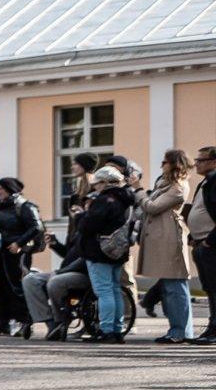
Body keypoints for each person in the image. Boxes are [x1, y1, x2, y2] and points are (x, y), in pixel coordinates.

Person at [139, 149, 196, 343]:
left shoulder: (178, 187)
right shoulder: (164, 184)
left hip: (170, 238)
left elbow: (152, 207)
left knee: (175, 286)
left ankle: (180, 332)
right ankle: (177, 330)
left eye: (165, 162)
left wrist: (139, 192)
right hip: (162, 237)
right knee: (170, 286)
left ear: (174, 164)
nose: (161, 165)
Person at [75, 163, 134, 343]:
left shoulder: (104, 200)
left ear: (105, 183)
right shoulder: (126, 199)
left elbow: (88, 225)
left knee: (104, 291)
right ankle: (116, 329)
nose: (95, 187)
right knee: (115, 289)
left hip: (99, 250)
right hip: (117, 250)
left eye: (97, 184)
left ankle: (106, 329)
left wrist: (80, 216)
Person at [0, 177, 43, 337]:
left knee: (18, 287)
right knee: (2, 287)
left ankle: (24, 321)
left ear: (10, 189)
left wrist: (19, 243)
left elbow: (36, 227)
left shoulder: (25, 206)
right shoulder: (0, 206)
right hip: (2, 251)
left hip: (17, 253)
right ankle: (3, 321)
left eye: (0, 188)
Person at [189, 146, 216, 343]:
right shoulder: (204, 183)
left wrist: (209, 240)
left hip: (211, 243)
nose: (196, 163)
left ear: (214, 161)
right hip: (200, 242)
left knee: (215, 287)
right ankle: (212, 327)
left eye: (201, 160)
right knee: (209, 288)